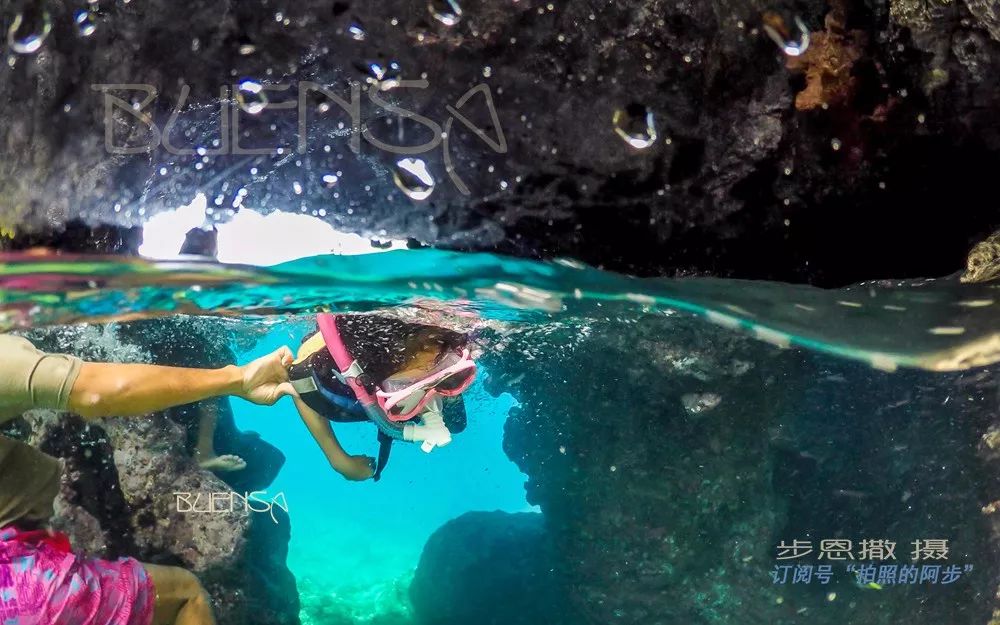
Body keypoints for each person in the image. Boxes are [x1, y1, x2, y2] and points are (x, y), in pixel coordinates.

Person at [0, 333, 297, 625]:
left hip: (19, 548)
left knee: (266, 460)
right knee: (185, 594)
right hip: (15, 585)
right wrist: (239, 378)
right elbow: (96, 391)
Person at [286, 312, 478, 482]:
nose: (433, 401)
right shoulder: (334, 378)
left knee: (456, 424)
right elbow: (298, 381)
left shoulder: (445, 334)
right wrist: (339, 460)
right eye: (410, 388)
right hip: (346, 349)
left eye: (445, 365)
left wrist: (449, 379)